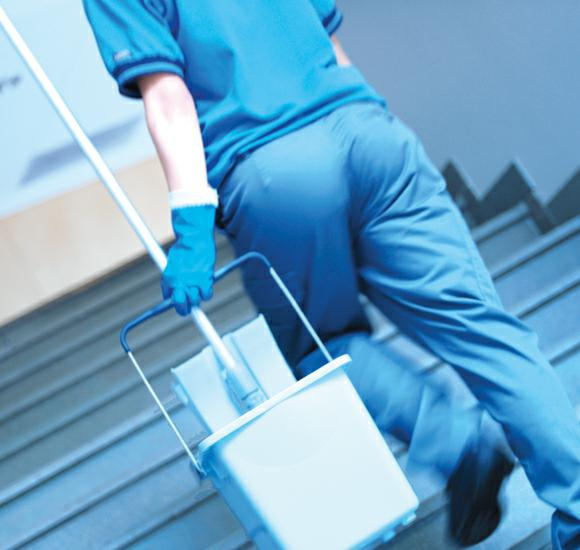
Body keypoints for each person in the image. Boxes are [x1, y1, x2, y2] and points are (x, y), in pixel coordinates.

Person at [83, 0, 580, 546]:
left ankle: (459, 445)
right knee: (484, 333)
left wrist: (192, 225)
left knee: (323, 348)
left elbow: (168, 96)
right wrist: (369, 122)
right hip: (370, 135)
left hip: (276, 172)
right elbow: (328, 43)